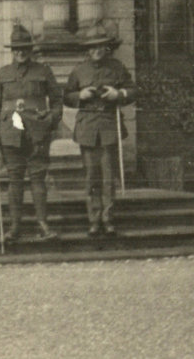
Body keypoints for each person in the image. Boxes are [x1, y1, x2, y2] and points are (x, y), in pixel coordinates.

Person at [0, 24, 62, 243]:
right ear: (12, 50)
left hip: (37, 133)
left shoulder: (43, 71)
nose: (20, 52)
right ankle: (15, 226)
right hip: (10, 133)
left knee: (38, 179)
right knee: (15, 180)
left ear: (30, 50)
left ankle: (42, 224)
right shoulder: (2, 74)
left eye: (24, 48)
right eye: (16, 49)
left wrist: (49, 121)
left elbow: (57, 101)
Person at [64, 24, 137, 237]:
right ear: (87, 49)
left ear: (107, 47)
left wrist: (119, 94)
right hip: (87, 126)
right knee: (91, 176)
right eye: (93, 46)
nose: (97, 50)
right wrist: (80, 96)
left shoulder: (117, 67)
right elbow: (67, 96)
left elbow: (133, 90)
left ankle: (108, 218)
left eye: (101, 46)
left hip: (108, 125)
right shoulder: (79, 70)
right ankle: (94, 220)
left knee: (108, 175)